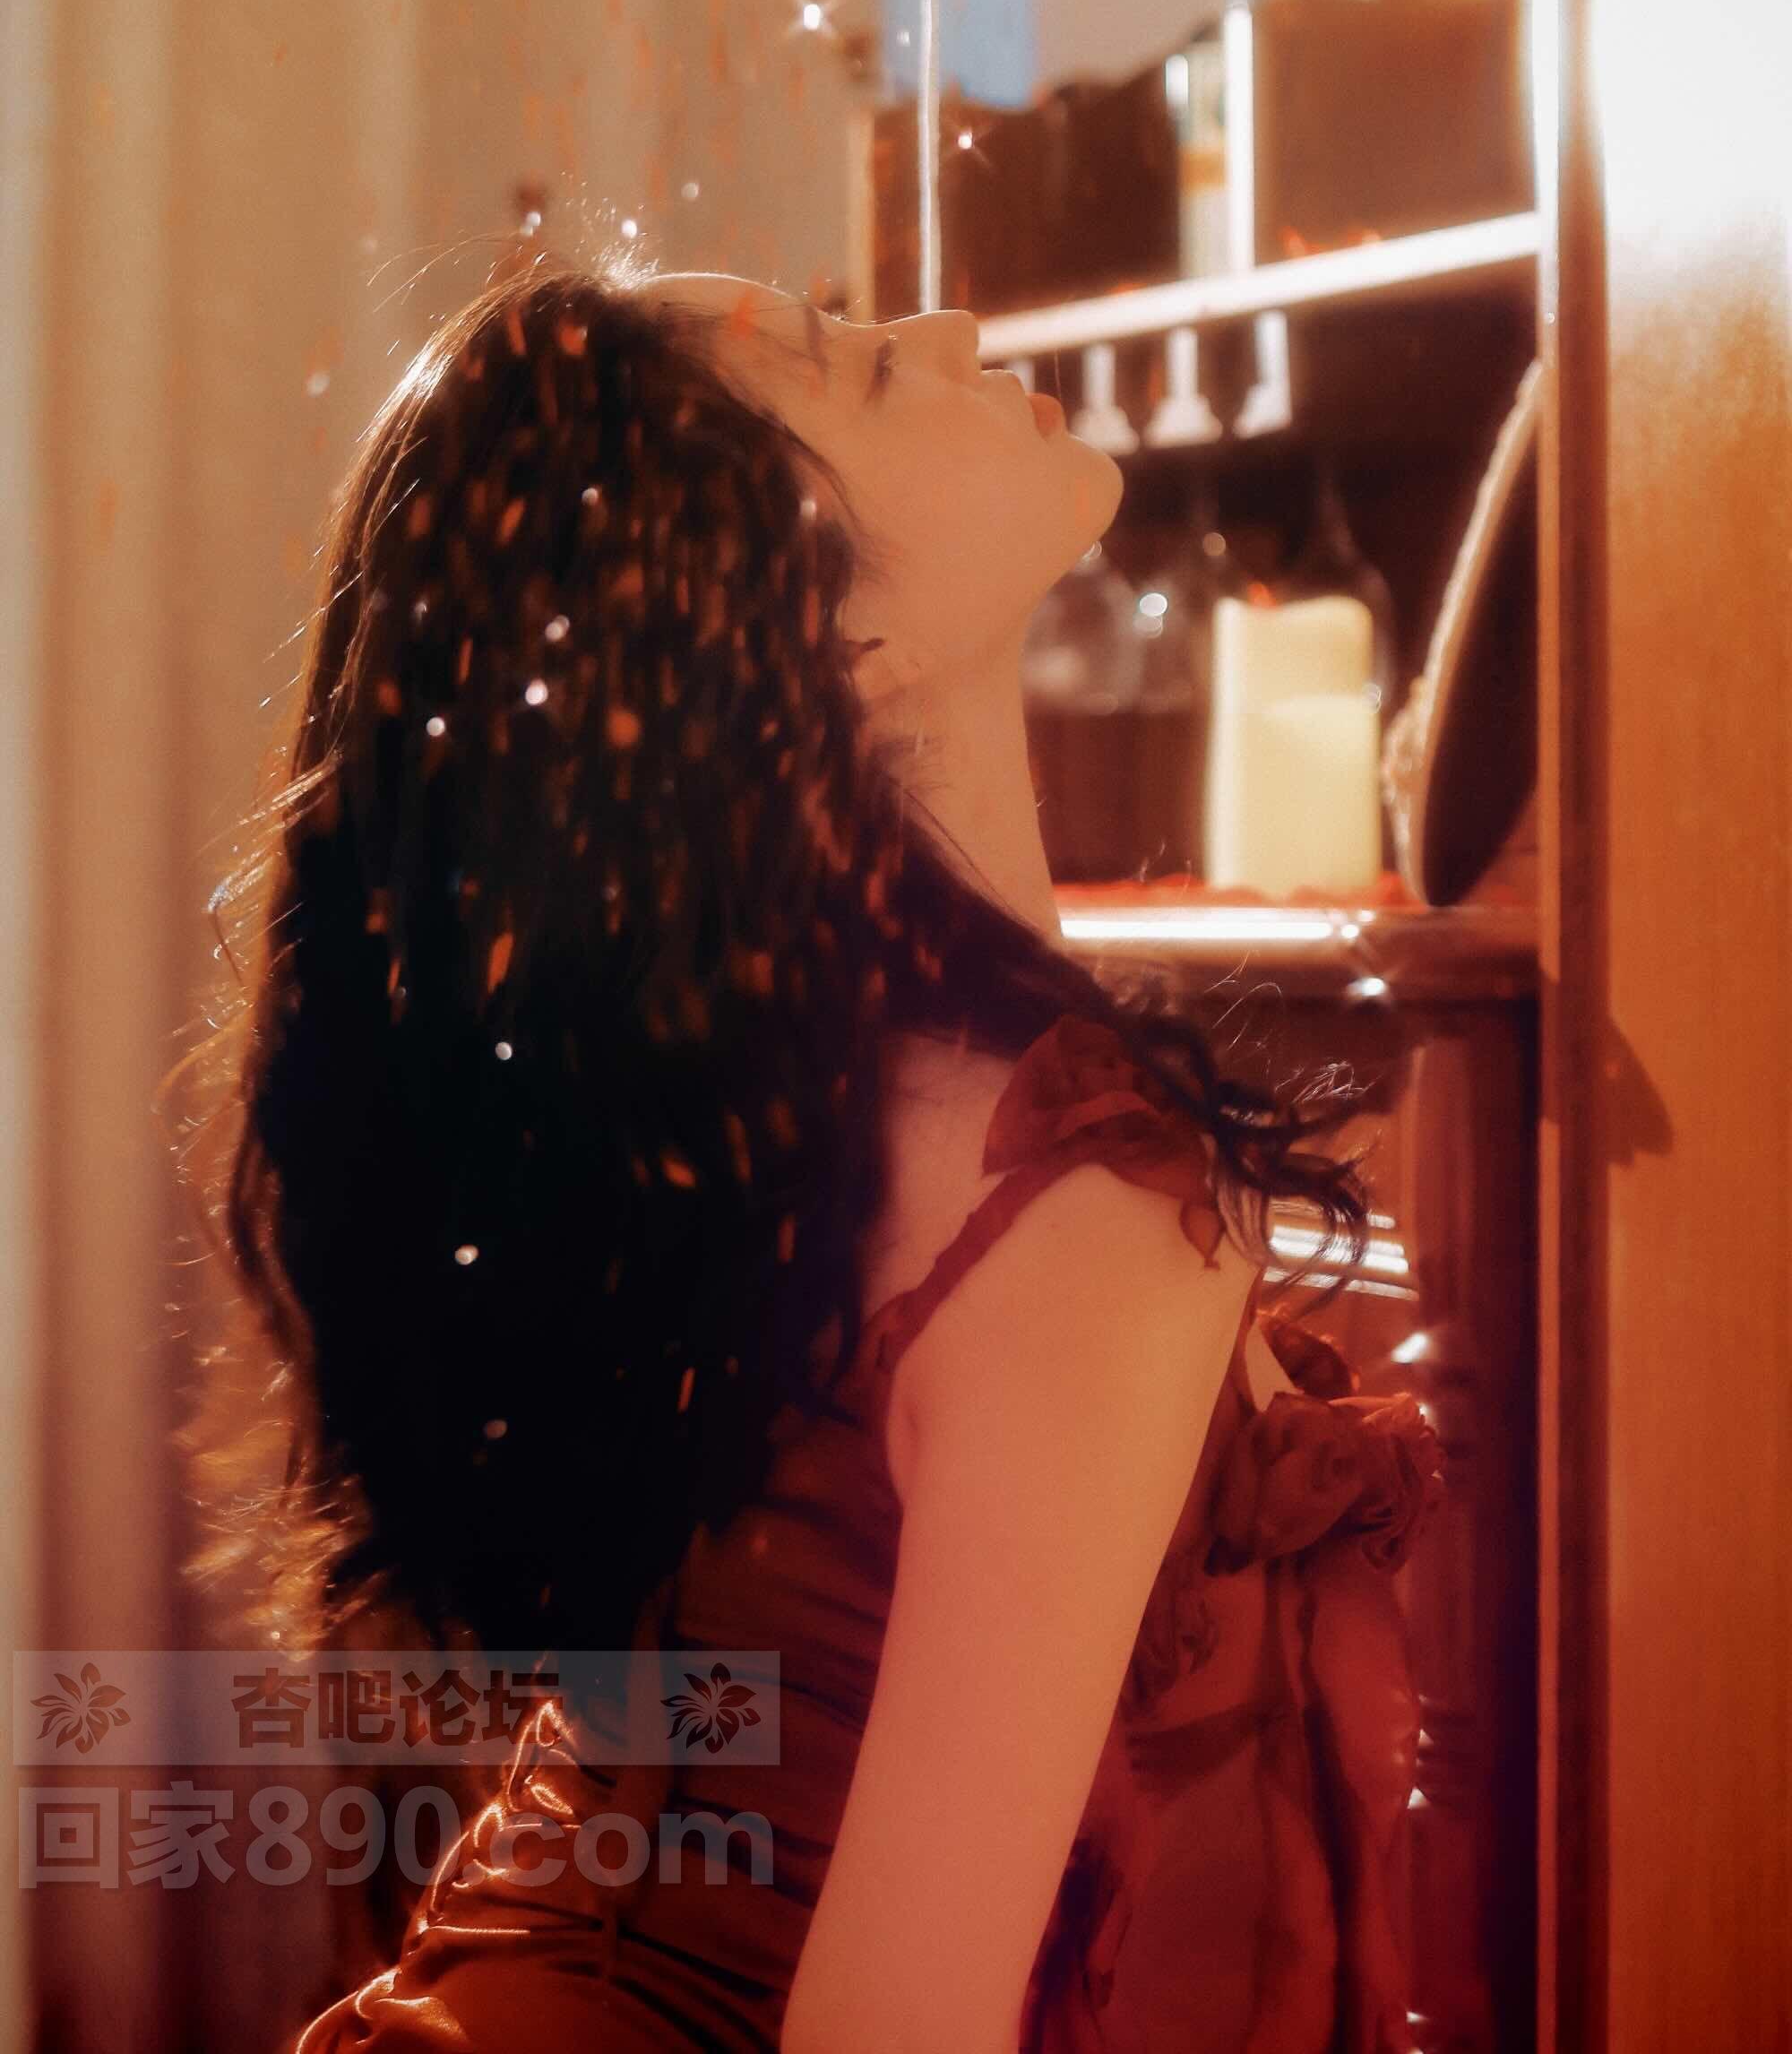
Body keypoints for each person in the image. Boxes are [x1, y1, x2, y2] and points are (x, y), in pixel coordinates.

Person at [183, 247, 1443, 2053]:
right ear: (824, 642)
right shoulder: (1063, 1201)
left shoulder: (765, 1111)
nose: (948, 328)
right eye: (855, 365)